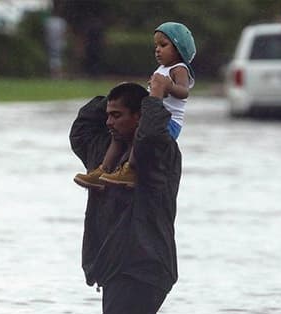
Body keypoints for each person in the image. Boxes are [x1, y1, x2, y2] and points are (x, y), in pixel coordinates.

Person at [69, 80, 182, 314]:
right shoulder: (103, 155)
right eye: (108, 114)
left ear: (139, 117)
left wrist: (153, 99)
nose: (109, 122)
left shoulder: (159, 154)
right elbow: (81, 126)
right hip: (116, 266)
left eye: (117, 115)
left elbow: (152, 135)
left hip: (143, 266)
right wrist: (124, 90)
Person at [74, 22, 195, 189]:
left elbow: (184, 92)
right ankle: (104, 170)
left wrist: (168, 87)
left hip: (167, 123)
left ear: (179, 48)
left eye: (163, 45)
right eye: (156, 46)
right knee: (118, 134)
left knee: (138, 132)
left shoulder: (179, 69)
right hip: (149, 116)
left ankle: (131, 169)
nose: (158, 50)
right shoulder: (161, 69)